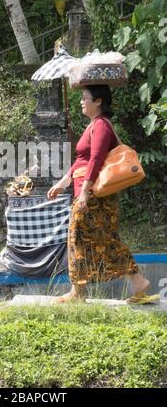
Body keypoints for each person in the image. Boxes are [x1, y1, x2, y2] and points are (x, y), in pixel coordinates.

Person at [47, 85, 157, 304]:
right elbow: (81, 161)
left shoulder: (101, 126)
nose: (81, 101)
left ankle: (78, 292)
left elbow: (96, 160)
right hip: (91, 193)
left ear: (98, 101)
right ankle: (138, 282)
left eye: (85, 97)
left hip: (95, 195)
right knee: (105, 239)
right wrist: (63, 182)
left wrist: (85, 192)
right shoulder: (93, 126)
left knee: (77, 237)